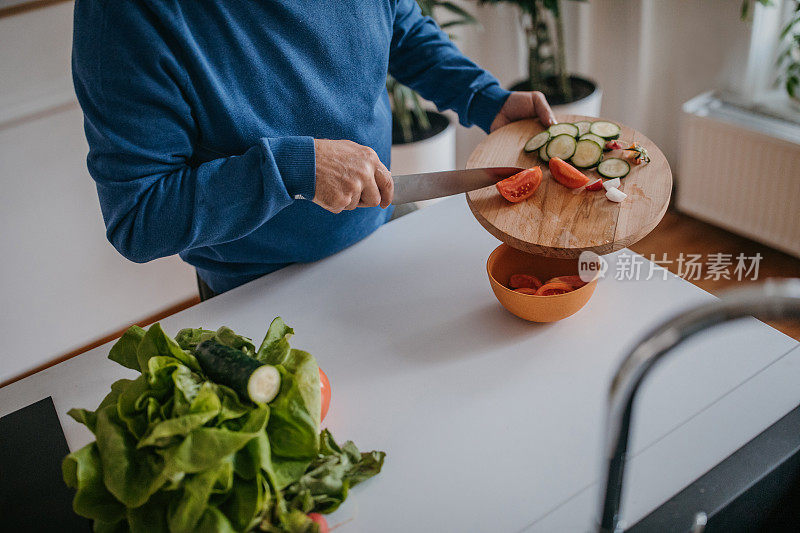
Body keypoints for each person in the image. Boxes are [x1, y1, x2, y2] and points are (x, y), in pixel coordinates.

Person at [72, 0, 556, 300]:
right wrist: (292, 169)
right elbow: (138, 216)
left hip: (382, 225)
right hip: (256, 288)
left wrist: (484, 98)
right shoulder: (125, 14)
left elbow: (399, 28)